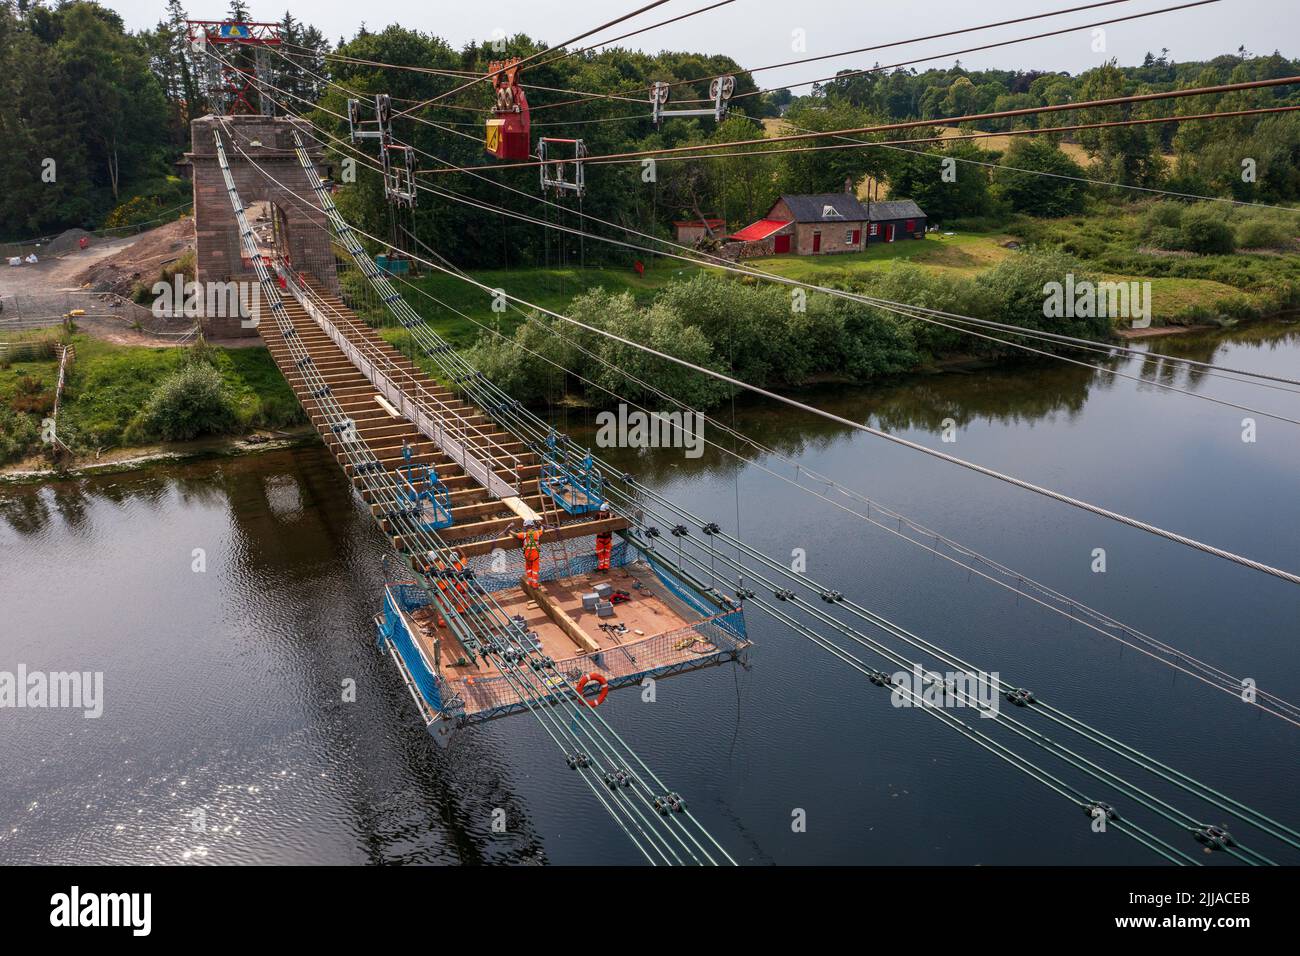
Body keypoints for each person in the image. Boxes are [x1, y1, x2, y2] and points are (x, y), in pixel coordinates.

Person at [512, 518, 543, 588]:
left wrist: (509, 529)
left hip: (527, 555)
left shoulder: (524, 535)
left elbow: (515, 535)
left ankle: (530, 582)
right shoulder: (537, 533)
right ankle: (535, 585)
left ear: (525, 527)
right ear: (532, 526)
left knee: (529, 569)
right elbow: (543, 530)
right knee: (535, 570)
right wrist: (540, 525)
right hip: (535, 555)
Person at [594, 502, 613, 572]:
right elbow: (594, 524)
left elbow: (615, 523)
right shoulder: (597, 515)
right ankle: (600, 567)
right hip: (600, 538)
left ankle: (606, 567)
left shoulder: (611, 516)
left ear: (607, 511)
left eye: (603, 512)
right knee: (600, 553)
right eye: (601, 512)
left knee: (607, 553)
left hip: (608, 538)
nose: (602, 513)